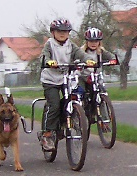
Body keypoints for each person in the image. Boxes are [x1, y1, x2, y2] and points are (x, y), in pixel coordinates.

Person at [39, 17, 94, 151]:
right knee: (55, 104)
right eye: (59, 31)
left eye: (65, 31)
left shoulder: (71, 45)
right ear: (53, 32)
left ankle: (69, 118)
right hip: (50, 80)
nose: (62, 34)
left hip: (66, 78)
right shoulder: (49, 44)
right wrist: (49, 61)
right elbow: (44, 56)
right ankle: (47, 134)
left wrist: (88, 60)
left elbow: (81, 54)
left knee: (74, 96)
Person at [79, 27, 117, 93]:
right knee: (81, 91)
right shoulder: (81, 52)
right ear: (86, 42)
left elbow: (111, 56)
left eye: (96, 41)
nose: (93, 43)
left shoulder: (101, 51)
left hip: (97, 76)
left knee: (102, 89)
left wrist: (113, 60)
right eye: (91, 41)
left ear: (99, 42)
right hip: (84, 76)